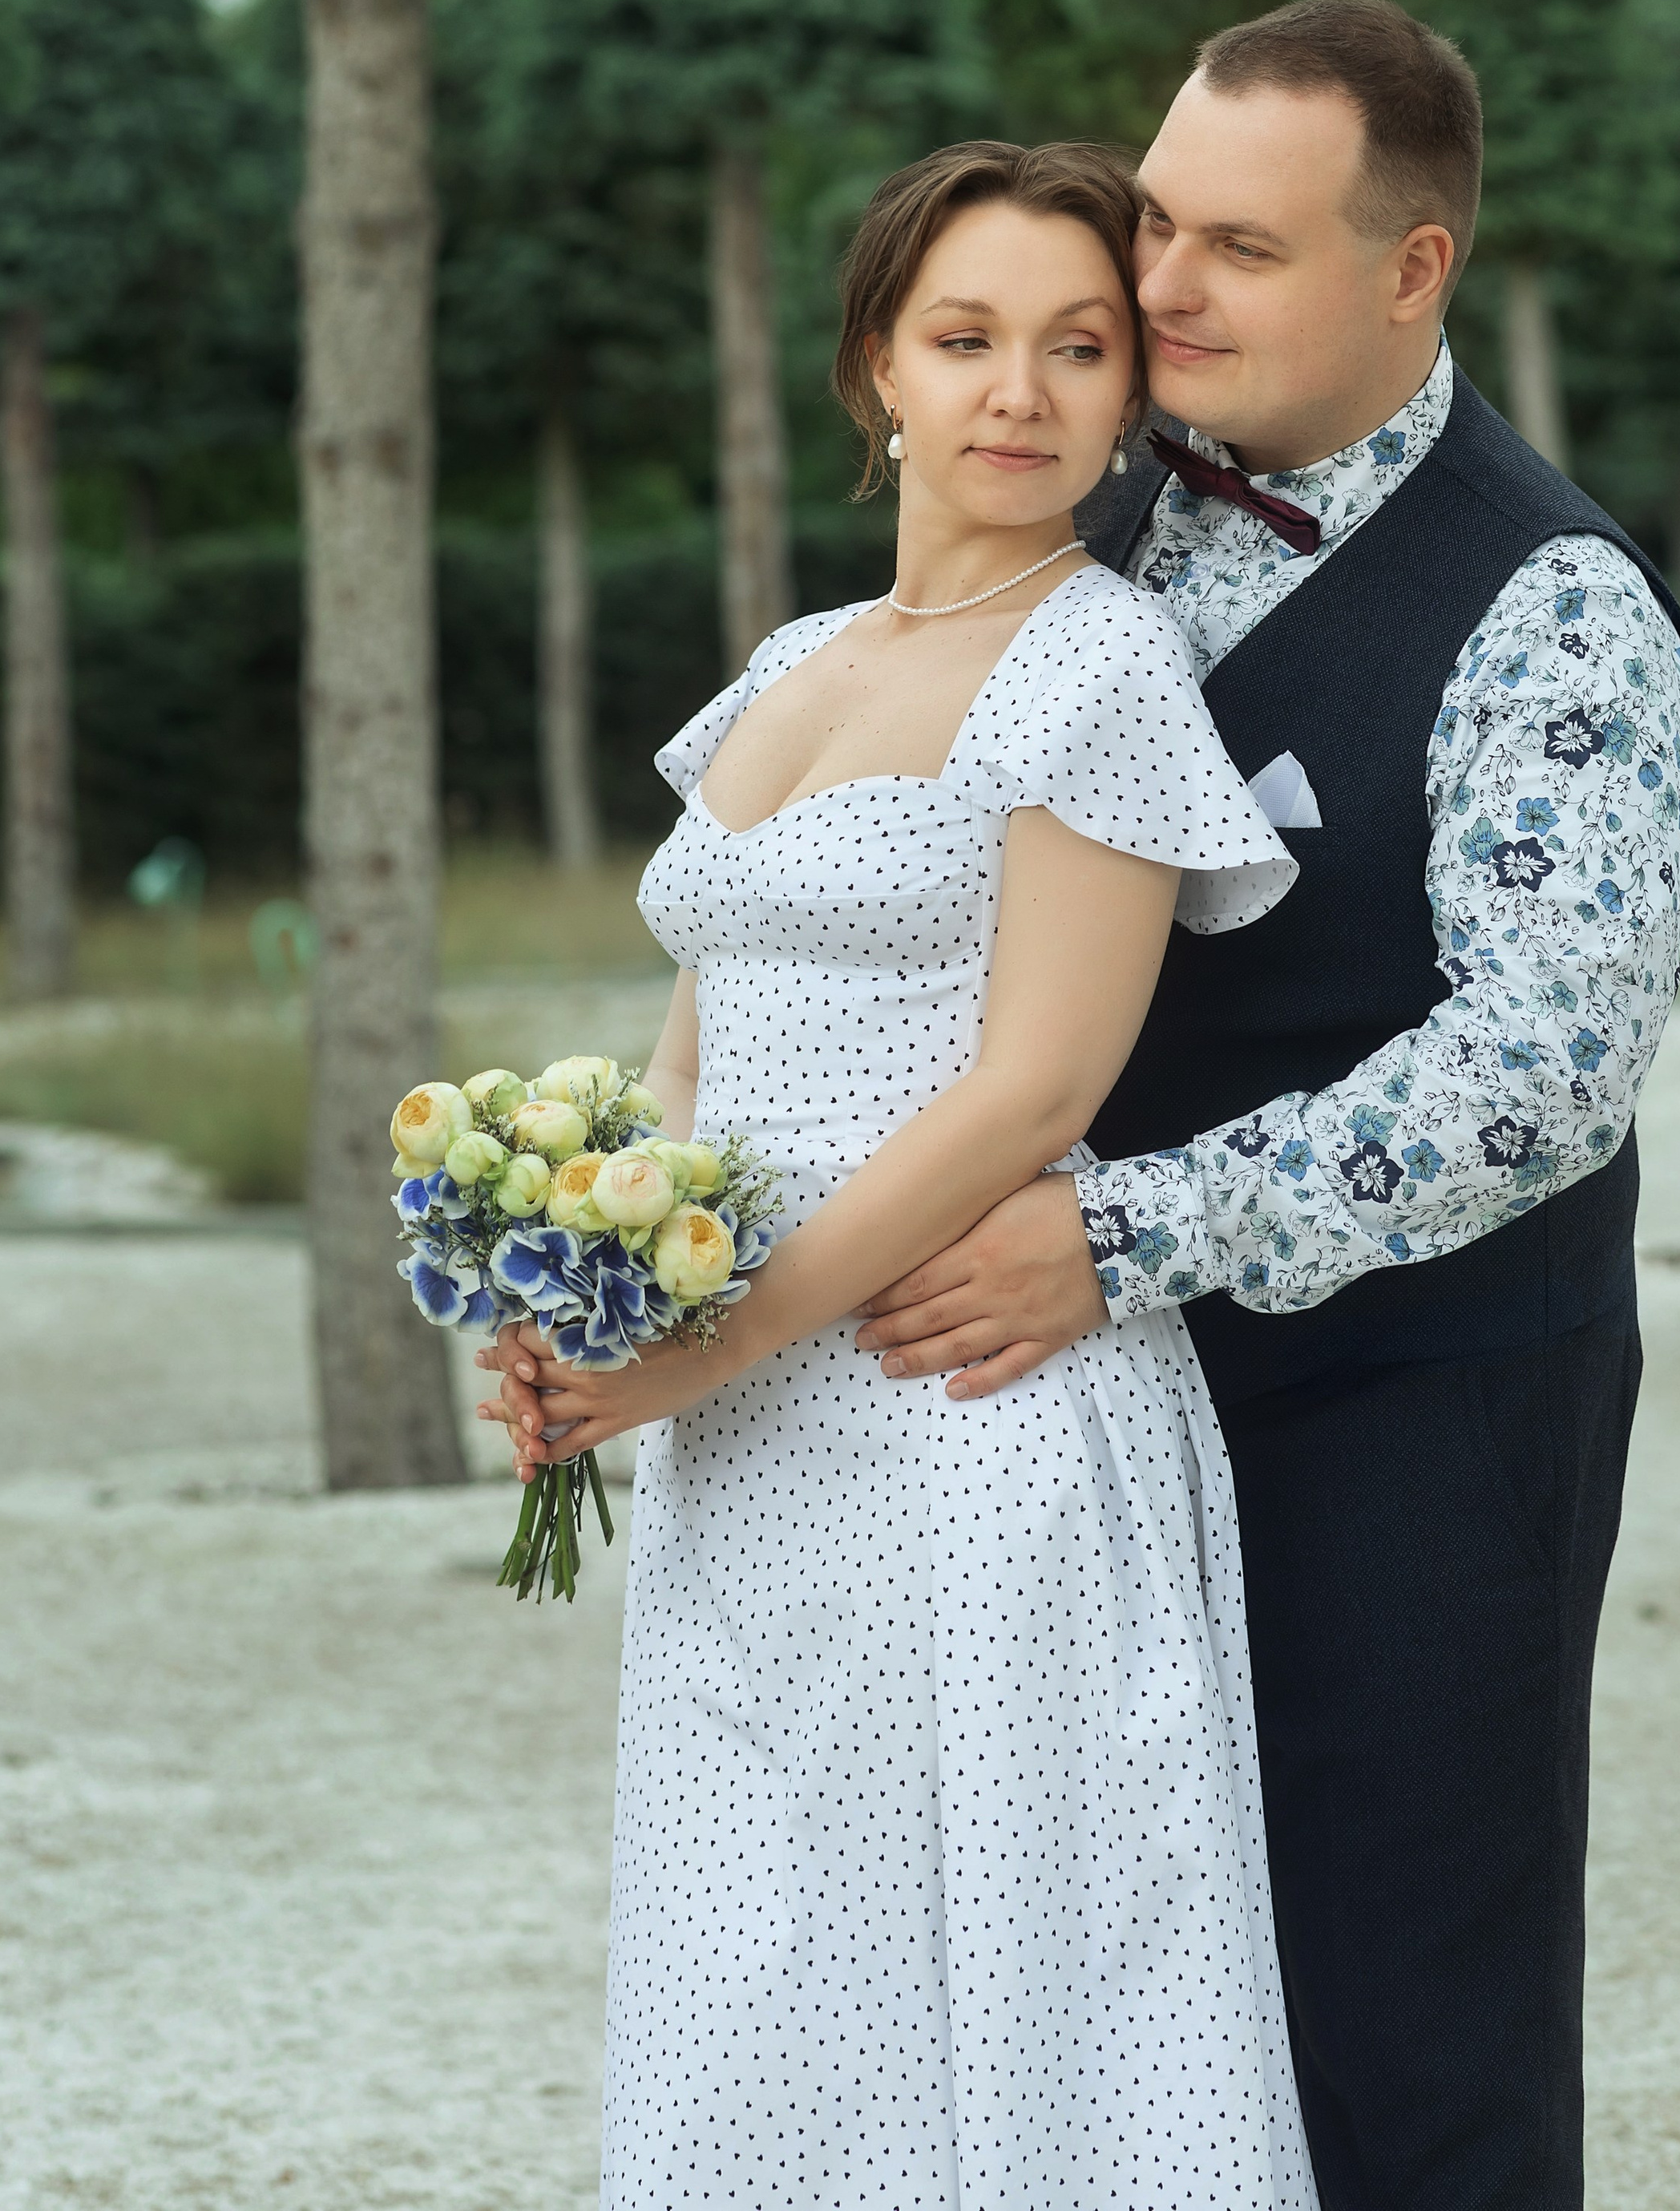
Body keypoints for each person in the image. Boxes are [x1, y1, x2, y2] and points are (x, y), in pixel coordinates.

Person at [849, 0, 1680, 2211]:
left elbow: (1545, 1070)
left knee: (1405, 2018)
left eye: (1237, 242)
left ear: (1411, 270)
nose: (1157, 286)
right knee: (1117, 2000)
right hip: (1076, 1407)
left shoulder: (1560, 604)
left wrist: (1121, 1232)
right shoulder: (1088, 501)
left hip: (1416, 1416)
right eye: (1153, 218)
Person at [489, 140, 1318, 2209]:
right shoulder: (791, 665)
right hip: (753, 1444)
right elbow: (698, 1037)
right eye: (965, 339)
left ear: (1133, 392)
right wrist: (594, 1302)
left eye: (1076, 346)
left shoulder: (1100, 667)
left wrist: (715, 1342)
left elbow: (1030, 1088)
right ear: (879, 365)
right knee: (766, 1983)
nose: (1018, 392)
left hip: (968, 1420)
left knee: (1007, 2003)